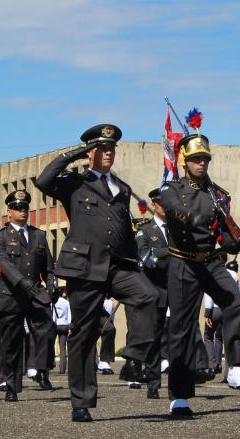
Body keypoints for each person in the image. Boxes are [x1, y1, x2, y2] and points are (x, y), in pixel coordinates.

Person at [34, 124, 159, 422]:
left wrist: (136, 260)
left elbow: (123, 233)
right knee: (85, 334)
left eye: (112, 148)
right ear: (91, 151)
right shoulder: (73, 184)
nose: (108, 153)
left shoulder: (122, 188)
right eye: (102, 148)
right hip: (85, 268)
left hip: (118, 265)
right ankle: (81, 400)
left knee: (148, 296)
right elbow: (43, 180)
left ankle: (133, 358)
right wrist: (77, 152)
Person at [160, 132, 240, 418]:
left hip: (210, 262)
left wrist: (235, 243)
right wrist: (192, 217)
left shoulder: (218, 194)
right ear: (185, 161)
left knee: (236, 302)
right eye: (195, 159)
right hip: (182, 263)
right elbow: (174, 211)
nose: (201, 164)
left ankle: (236, 368)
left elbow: (224, 235)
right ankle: (180, 396)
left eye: (205, 159)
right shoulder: (171, 189)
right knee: (181, 328)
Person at [0, 189, 56, 401]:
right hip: (12, 294)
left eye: (25, 208)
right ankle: (11, 383)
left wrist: (51, 283)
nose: (23, 211)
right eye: (18, 208)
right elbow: (5, 265)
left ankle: (42, 370)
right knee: (11, 341)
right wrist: (22, 283)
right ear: (9, 212)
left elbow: (48, 265)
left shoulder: (39, 235)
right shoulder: (0, 237)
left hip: (36, 293)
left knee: (46, 330)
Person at [135, 187, 171, 399]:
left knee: (180, 334)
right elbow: (144, 255)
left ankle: (182, 381)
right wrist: (168, 253)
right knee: (154, 337)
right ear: (154, 205)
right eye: (161, 203)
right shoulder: (145, 230)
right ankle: (153, 382)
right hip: (156, 287)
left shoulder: (176, 229)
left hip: (177, 287)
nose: (165, 207)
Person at [53, 288, 71, 375]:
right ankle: (62, 368)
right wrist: (69, 327)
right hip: (64, 325)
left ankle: (51, 364)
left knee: (50, 344)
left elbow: (52, 315)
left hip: (55, 324)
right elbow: (69, 315)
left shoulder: (54, 302)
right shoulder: (66, 302)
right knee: (63, 348)